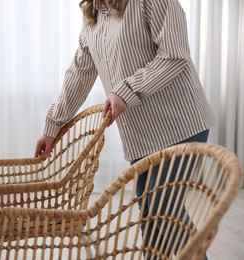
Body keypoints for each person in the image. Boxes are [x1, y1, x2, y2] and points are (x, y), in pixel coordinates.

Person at [35, 0, 215, 258]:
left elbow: (175, 55)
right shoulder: (94, 14)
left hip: (180, 124)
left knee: (164, 209)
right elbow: (79, 74)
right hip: (142, 136)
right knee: (149, 216)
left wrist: (126, 90)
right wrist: (52, 126)